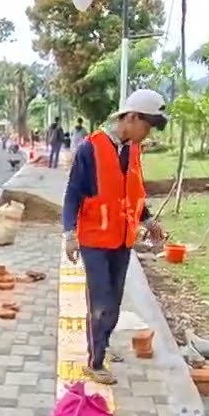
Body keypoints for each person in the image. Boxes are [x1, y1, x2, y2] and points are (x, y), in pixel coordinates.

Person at [63, 89, 167, 385]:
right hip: (94, 240)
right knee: (100, 303)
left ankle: (103, 345)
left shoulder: (132, 151)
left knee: (115, 301)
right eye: (147, 125)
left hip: (122, 240)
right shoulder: (90, 148)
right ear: (131, 118)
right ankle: (95, 362)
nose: (147, 133)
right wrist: (70, 234)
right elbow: (72, 194)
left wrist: (148, 220)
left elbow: (133, 192)